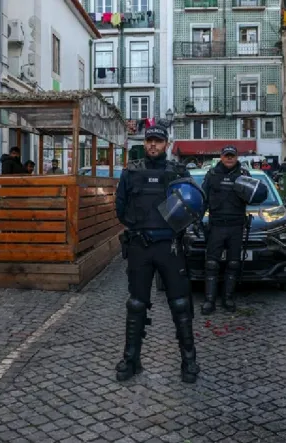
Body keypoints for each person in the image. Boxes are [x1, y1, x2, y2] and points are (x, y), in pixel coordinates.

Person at [114, 126, 200, 384]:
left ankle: (189, 361)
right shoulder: (131, 172)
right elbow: (120, 207)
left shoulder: (179, 172)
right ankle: (131, 360)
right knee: (136, 304)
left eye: (158, 141)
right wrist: (138, 226)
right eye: (150, 140)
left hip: (170, 247)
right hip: (140, 246)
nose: (153, 145)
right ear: (145, 142)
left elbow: (194, 205)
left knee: (181, 304)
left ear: (167, 144)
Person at [201, 145, 268, 314]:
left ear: (237, 157)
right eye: (226, 155)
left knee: (233, 263)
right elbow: (202, 199)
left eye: (232, 155)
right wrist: (196, 219)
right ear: (221, 157)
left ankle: (228, 298)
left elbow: (255, 196)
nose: (229, 158)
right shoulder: (212, 175)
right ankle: (209, 300)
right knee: (211, 264)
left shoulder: (244, 176)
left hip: (236, 225)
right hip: (216, 225)